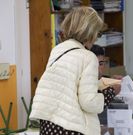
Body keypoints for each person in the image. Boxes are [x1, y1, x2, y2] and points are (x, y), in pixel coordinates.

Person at [30, 7, 105, 135]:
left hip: (48, 122)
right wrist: (106, 94)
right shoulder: (88, 57)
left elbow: (66, 88)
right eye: (97, 33)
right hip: (70, 126)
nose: (96, 38)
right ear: (90, 33)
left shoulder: (57, 50)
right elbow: (88, 102)